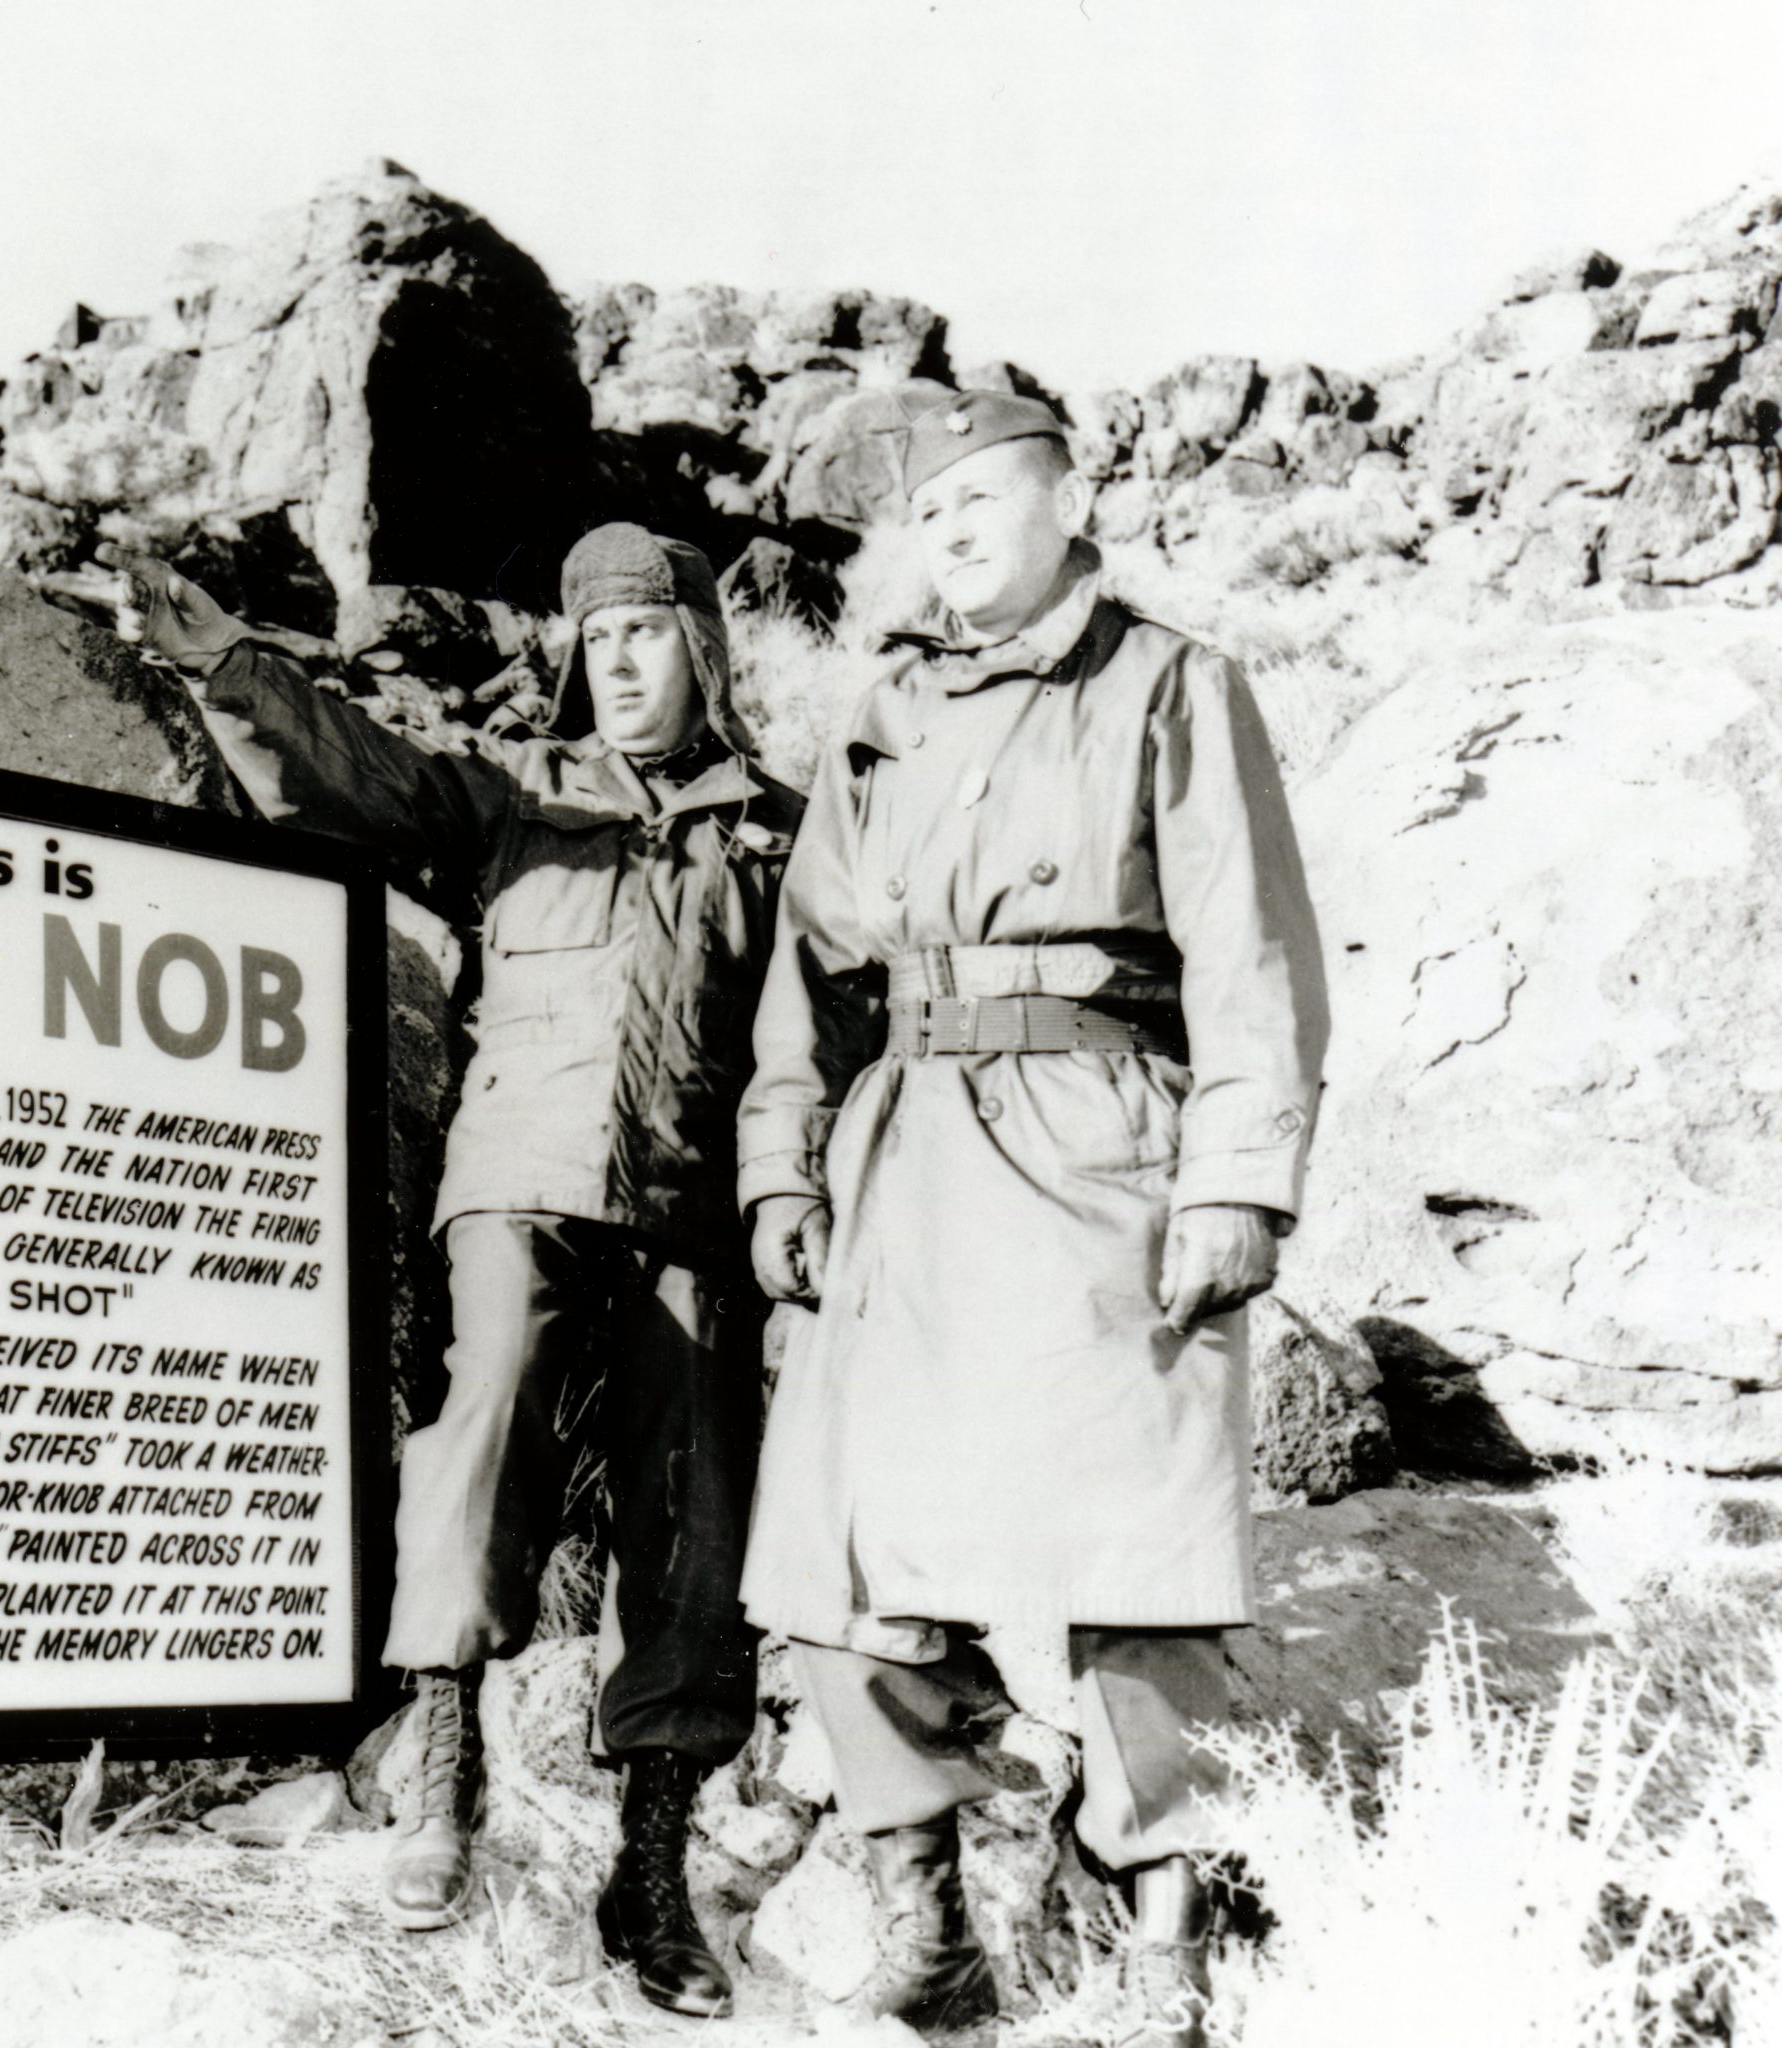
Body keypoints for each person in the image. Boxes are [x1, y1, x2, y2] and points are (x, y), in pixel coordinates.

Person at [83, 525, 802, 2020]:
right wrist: (228, 667)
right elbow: (349, 770)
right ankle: (440, 1779)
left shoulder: (785, 837)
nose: (618, 662)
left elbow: (826, 1031)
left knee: (701, 1514)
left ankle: (649, 1867)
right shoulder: (513, 800)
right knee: (480, 1440)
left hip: (693, 1219)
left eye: (648, 633)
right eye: (595, 638)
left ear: (706, 651)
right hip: (518, 1189)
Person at [736, 386, 1329, 2045]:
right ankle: (930, 1927)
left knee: (1140, 1562)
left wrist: (1234, 1182)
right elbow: (812, 973)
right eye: (928, 514)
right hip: (908, 1153)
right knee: (848, 1560)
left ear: (1074, 502)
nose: (957, 532)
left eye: (989, 496)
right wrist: (784, 1164)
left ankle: (1165, 1947)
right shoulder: (888, 714)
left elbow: (1251, 954)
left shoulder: (1171, 685)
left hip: (1101, 1145)